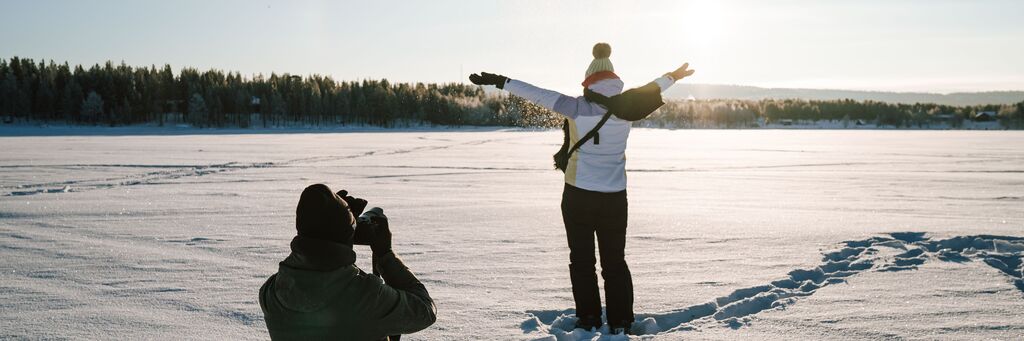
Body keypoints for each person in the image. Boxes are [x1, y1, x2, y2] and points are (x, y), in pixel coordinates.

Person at [469, 43, 695, 334]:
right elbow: (654, 87)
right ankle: (621, 321)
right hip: (615, 197)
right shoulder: (629, 107)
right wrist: (673, 76)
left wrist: (502, 81)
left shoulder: (576, 108)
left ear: (590, 82)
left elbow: (539, 94)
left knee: (582, 260)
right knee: (615, 261)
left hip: (578, 195)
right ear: (615, 82)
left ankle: (588, 318)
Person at [259, 184, 436, 341]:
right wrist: (385, 254)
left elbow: (317, 263)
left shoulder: (271, 293)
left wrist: (337, 220)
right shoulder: (368, 297)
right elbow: (424, 311)